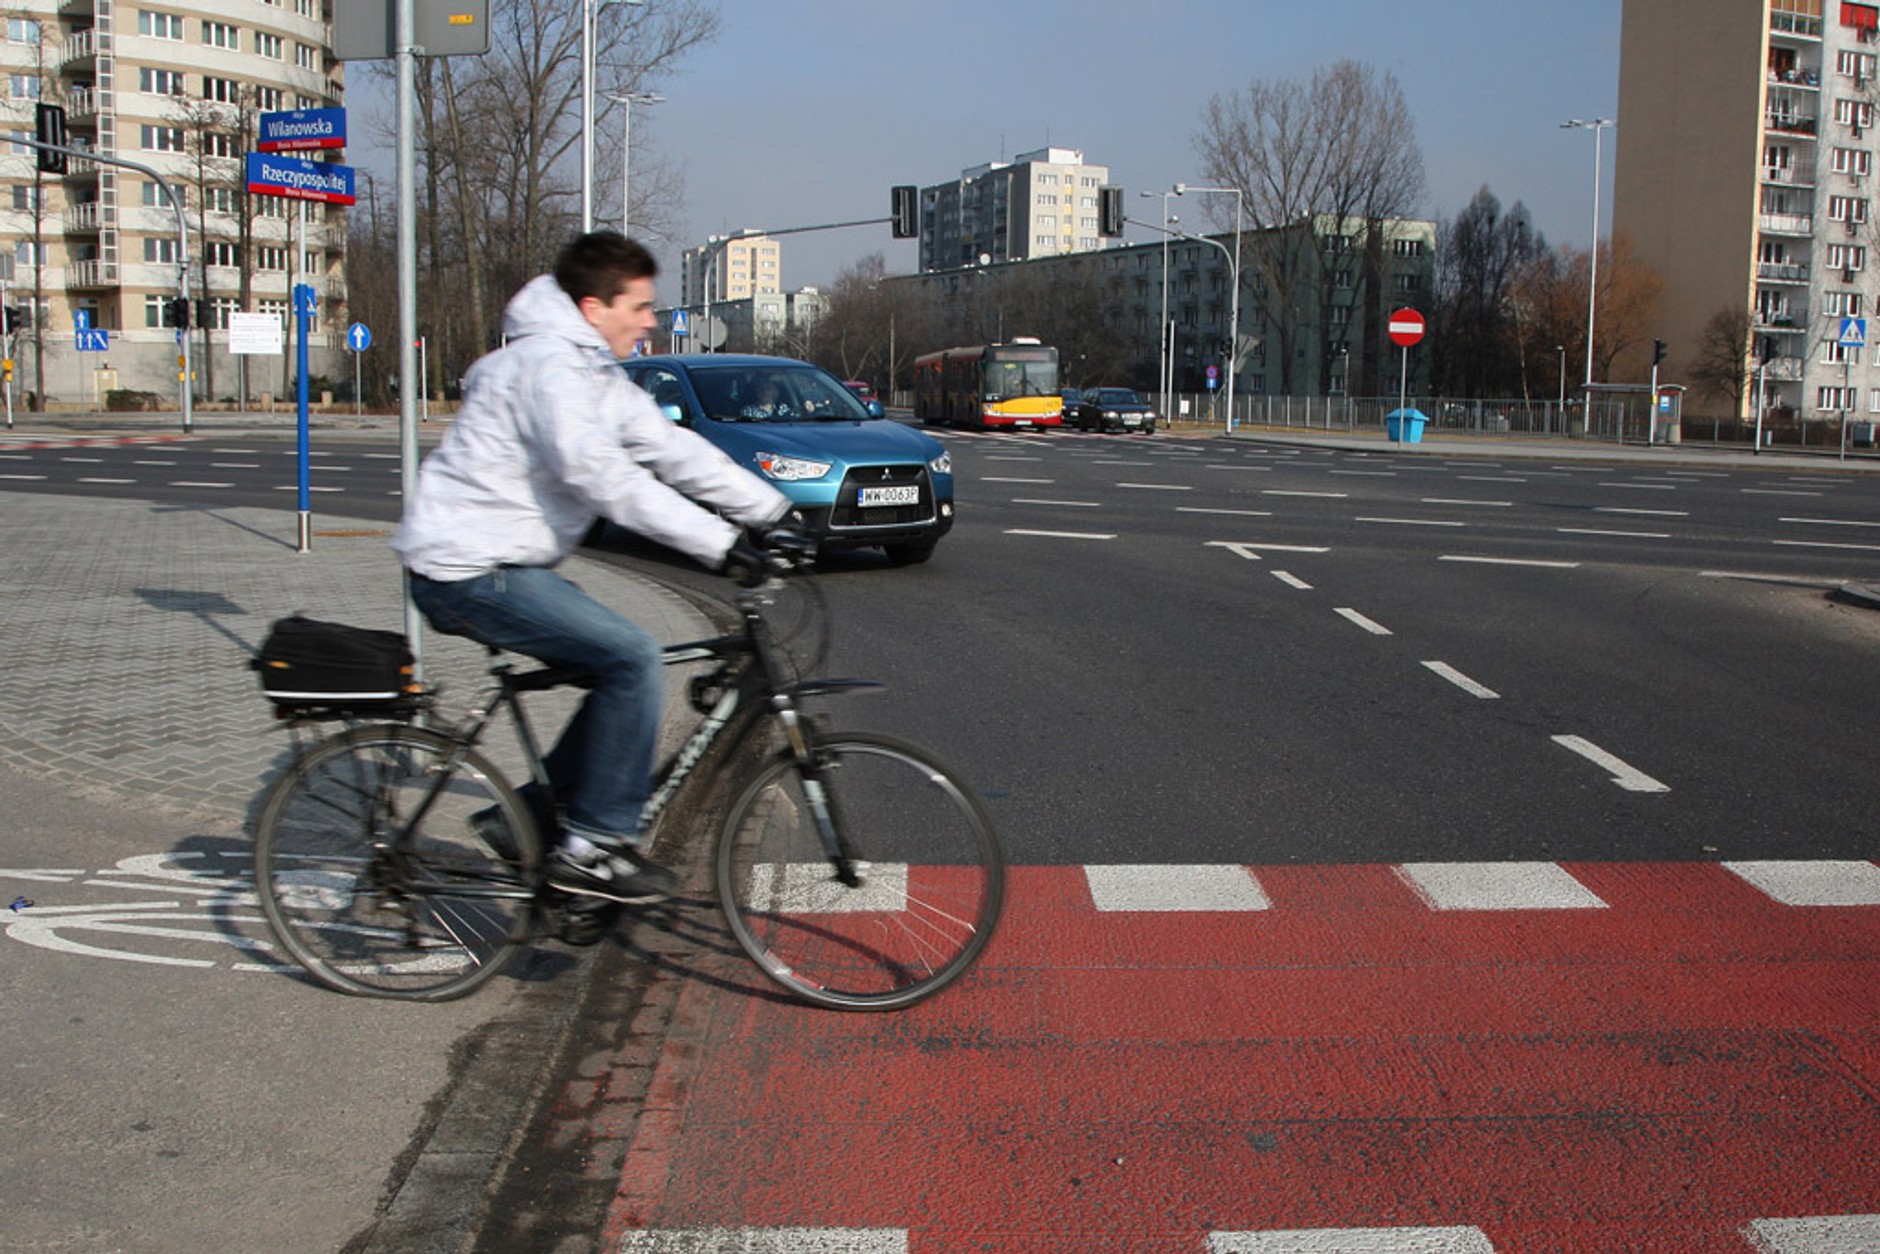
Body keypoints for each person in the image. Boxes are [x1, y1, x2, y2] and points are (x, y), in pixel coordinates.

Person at [393, 231, 792, 903]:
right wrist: (721, 545)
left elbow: (669, 448)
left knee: (616, 670)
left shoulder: (590, 373)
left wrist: (774, 513)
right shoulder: (545, 370)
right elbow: (602, 475)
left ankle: (524, 821)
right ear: (591, 307)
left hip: (507, 562)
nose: (650, 320)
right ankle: (594, 846)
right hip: (461, 568)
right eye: (638, 306)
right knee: (632, 656)